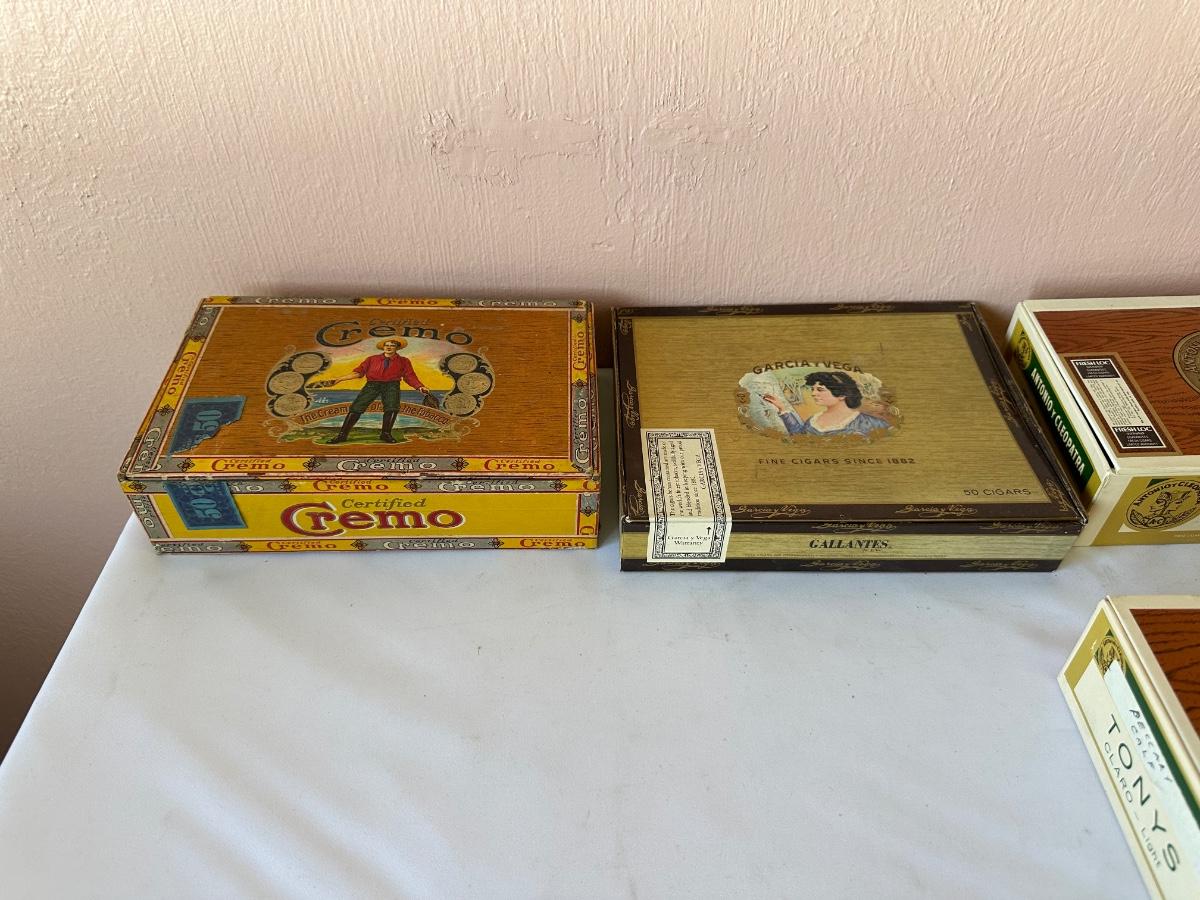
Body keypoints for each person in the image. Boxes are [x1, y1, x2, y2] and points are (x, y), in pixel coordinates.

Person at [323, 339, 433, 443]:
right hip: (372, 385)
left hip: (391, 386)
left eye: (392, 345)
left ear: (397, 348)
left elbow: (409, 376)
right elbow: (359, 372)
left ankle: (385, 434)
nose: (389, 347)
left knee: (392, 408)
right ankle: (342, 435)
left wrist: (420, 387)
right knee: (356, 407)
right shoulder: (372, 359)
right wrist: (339, 379)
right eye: (387, 345)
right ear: (383, 347)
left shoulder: (404, 361)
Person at [762, 371, 889, 437]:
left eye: (820, 389)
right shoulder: (814, 420)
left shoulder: (872, 423)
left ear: (842, 394)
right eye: (813, 389)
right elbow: (799, 436)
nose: (813, 394)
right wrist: (782, 408)